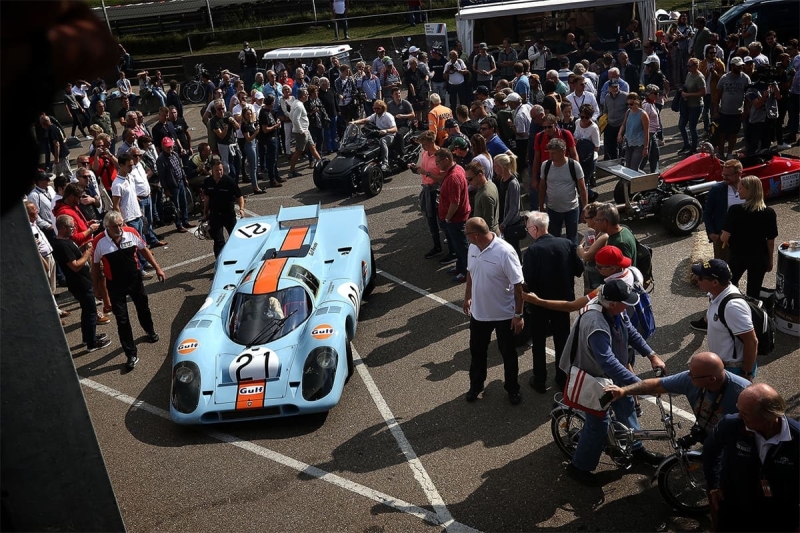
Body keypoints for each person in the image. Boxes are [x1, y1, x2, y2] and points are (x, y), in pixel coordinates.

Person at [560, 279, 667, 485]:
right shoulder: (595, 323)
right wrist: (642, 385)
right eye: (625, 302)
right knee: (598, 424)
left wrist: (651, 354)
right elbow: (607, 362)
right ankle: (578, 467)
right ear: (611, 303)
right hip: (592, 377)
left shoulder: (617, 310)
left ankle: (635, 449)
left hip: (609, 373)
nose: (629, 305)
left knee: (627, 405)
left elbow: (631, 333)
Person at [703, 383, 799, 533]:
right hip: (735, 505)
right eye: (738, 409)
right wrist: (714, 485)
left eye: (745, 413)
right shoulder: (730, 425)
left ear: (768, 416)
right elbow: (710, 451)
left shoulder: (797, 438)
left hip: (778, 513)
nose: (738, 415)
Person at [606, 351, 749, 442]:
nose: (688, 376)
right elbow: (656, 385)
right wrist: (624, 391)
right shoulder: (690, 379)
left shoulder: (743, 393)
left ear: (711, 379)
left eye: (693, 375)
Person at [462, 217, 525, 405]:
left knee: (508, 353)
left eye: (466, 233)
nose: (465, 236)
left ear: (475, 235)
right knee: (477, 352)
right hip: (479, 314)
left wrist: (518, 315)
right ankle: (476, 385)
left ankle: (513, 389)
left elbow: (518, 286)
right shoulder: (473, 248)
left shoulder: (504, 252)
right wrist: (467, 296)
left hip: (504, 315)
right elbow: (470, 272)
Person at [92, 210, 165, 370]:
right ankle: (130, 353)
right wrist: (96, 288)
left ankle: (150, 330)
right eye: (115, 226)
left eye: (121, 224)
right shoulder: (98, 241)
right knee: (122, 319)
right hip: (115, 284)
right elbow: (96, 266)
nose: (119, 228)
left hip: (134, 280)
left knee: (143, 307)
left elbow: (144, 250)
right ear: (107, 226)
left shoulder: (131, 233)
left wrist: (157, 268)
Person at [523, 211, 583, 392]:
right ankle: (562, 377)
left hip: (539, 303)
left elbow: (528, 280)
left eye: (528, 229)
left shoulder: (532, 251)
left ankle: (540, 379)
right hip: (563, 303)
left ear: (535, 228)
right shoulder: (566, 244)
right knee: (562, 341)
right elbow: (579, 269)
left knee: (539, 342)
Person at [691, 259, 758, 380]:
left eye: (701, 277)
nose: (696, 278)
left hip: (733, 370)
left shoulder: (732, 307)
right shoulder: (716, 294)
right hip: (721, 365)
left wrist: (746, 375)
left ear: (715, 282)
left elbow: (751, 341)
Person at [52, 214, 111, 351]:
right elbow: (75, 265)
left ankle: (88, 338)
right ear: (62, 228)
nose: (74, 229)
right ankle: (92, 343)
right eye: (71, 227)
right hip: (80, 284)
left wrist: (83, 248)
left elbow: (74, 255)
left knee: (86, 311)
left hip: (81, 282)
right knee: (90, 312)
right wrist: (88, 252)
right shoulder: (62, 245)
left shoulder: (66, 240)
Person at [720, 175, 778, 299]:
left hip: (738, 256)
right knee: (753, 292)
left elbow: (724, 238)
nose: (738, 190)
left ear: (749, 190)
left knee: (728, 286)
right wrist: (770, 260)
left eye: (741, 188)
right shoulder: (769, 213)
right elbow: (770, 240)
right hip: (759, 258)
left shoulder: (735, 210)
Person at [538, 137, 587, 245]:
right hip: (552, 209)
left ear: (563, 152)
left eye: (553, 153)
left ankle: (572, 260)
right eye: (549, 153)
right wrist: (541, 206)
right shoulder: (545, 165)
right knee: (553, 239)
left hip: (571, 209)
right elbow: (542, 187)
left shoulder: (574, 165)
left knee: (572, 239)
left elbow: (582, 189)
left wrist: (585, 208)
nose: (550, 156)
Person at [434, 148, 470, 282]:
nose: (437, 165)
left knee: (461, 247)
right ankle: (460, 267)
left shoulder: (453, 177)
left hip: (455, 219)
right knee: (457, 245)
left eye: (438, 162)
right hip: (455, 218)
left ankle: (466, 273)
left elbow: (455, 202)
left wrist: (448, 218)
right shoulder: (458, 168)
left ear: (446, 160)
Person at [702, 159, 745, 265]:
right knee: (722, 267)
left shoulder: (749, 187)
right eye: (723, 174)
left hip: (743, 234)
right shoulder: (717, 189)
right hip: (722, 236)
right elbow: (707, 212)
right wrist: (711, 233)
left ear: (739, 173)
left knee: (739, 265)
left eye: (728, 175)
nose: (724, 177)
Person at [202, 158, 245, 259]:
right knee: (218, 241)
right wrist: (205, 213)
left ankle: (239, 258)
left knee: (235, 238)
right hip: (215, 215)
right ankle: (219, 262)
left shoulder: (229, 181)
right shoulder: (208, 182)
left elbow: (240, 196)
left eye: (221, 169)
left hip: (229, 215)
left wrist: (242, 209)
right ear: (212, 170)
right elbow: (206, 198)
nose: (219, 172)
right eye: (216, 170)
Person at [410, 131, 444, 258]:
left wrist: (426, 172)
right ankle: (437, 246)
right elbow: (423, 170)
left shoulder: (440, 156)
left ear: (431, 142)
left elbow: (443, 178)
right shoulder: (425, 153)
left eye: (424, 144)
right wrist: (416, 169)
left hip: (436, 191)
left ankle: (451, 248)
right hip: (426, 190)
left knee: (441, 221)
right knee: (431, 220)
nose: (422, 147)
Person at [714, 56, 751, 159]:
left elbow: (748, 96)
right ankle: (720, 152)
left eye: (741, 66)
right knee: (722, 134)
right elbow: (718, 96)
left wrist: (746, 111)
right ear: (732, 66)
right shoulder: (724, 78)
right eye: (738, 66)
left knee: (733, 134)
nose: (740, 68)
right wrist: (716, 110)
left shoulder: (745, 78)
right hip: (724, 112)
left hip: (737, 112)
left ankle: (730, 153)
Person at [156, 137, 193, 233]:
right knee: (175, 207)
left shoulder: (175, 154)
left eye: (171, 146)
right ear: (163, 147)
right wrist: (166, 189)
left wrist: (184, 178)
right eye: (167, 147)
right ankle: (179, 224)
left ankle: (185, 221)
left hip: (180, 182)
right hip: (172, 186)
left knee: (184, 203)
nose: (170, 148)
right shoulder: (161, 159)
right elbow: (162, 176)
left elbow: (180, 167)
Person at [351, 98, 396, 172]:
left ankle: (385, 163)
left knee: (382, 141)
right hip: (379, 134)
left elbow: (395, 129)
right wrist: (354, 122)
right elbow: (365, 120)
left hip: (390, 135)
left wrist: (386, 130)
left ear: (383, 108)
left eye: (378, 108)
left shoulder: (388, 116)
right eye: (374, 108)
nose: (376, 110)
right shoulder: (375, 115)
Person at [493, 153, 524, 257]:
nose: (494, 168)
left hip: (511, 223)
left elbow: (514, 208)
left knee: (514, 249)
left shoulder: (513, 183)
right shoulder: (502, 180)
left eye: (496, 166)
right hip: (503, 220)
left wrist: (503, 224)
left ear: (503, 167)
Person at [287, 88, 322, 177]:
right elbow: (295, 118)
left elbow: (290, 115)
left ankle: (321, 164)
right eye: (306, 94)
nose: (308, 95)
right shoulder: (299, 106)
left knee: (312, 146)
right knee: (299, 151)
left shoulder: (295, 103)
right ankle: (291, 171)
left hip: (306, 130)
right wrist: (301, 130)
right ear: (302, 96)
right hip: (301, 132)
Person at [617, 92, 649, 170]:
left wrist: (646, 147)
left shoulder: (643, 114)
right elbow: (623, 124)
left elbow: (646, 131)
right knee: (628, 168)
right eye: (627, 104)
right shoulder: (628, 112)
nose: (629, 106)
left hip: (639, 144)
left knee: (634, 168)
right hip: (629, 143)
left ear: (637, 102)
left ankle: (648, 180)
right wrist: (620, 134)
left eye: (631, 104)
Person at [465, 161, 499, 234]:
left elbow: (488, 225)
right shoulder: (490, 184)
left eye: (470, 179)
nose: (468, 182)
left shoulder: (485, 195)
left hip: (487, 237)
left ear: (480, 175)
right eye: (466, 179)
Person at [601, 79, 628, 160]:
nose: (614, 89)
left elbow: (629, 110)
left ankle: (621, 161)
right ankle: (611, 162)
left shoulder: (625, 96)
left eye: (616, 87)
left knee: (621, 146)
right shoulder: (607, 97)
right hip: (610, 125)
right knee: (610, 146)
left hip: (621, 125)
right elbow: (605, 111)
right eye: (612, 87)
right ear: (609, 88)